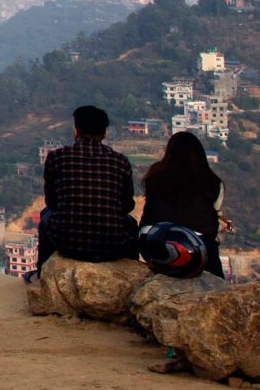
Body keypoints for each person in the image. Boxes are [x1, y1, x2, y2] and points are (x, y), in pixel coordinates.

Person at [36, 104, 136, 274]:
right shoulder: (120, 161)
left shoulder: (57, 157)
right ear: (104, 133)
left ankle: (42, 273)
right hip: (112, 245)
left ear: (76, 131)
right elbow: (127, 205)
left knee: (45, 215)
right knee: (131, 223)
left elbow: (51, 201)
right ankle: (132, 273)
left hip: (66, 242)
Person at [140, 129, 226, 277]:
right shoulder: (212, 182)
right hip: (194, 246)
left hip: (152, 242)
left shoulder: (154, 175)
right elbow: (215, 213)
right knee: (217, 279)